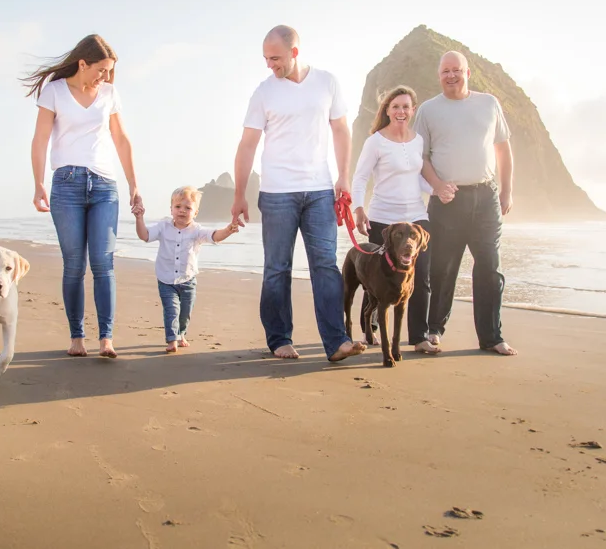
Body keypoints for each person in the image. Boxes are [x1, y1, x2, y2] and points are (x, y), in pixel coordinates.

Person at [232, 25, 366, 362]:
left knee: (326, 266)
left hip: (320, 189)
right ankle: (279, 339)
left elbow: (341, 130)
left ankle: (336, 341)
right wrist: (239, 194)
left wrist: (343, 177)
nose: (269, 65)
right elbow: (247, 144)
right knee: (277, 268)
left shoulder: (326, 82)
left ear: (295, 52)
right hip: (277, 193)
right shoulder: (264, 92)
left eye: (275, 57)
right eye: (265, 58)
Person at [25, 34, 141, 359]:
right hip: (67, 183)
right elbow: (40, 140)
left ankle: (106, 338)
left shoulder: (109, 94)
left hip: (105, 185)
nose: (105, 77)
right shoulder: (55, 92)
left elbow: (121, 139)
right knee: (74, 264)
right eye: (101, 70)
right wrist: (38, 184)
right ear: (82, 63)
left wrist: (134, 185)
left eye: (110, 71)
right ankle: (77, 336)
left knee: (104, 263)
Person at [413, 50, 518, 355]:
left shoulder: (488, 103)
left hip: (486, 197)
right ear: (439, 75)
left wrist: (506, 191)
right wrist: (436, 185)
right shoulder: (429, 110)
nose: (451, 76)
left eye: (456, 70)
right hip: (447, 201)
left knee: (489, 268)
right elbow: (422, 157)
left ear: (467, 73)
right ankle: (434, 330)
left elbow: (503, 150)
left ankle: (492, 337)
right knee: (442, 269)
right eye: (445, 71)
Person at [351, 85, 439, 354]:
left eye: (405, 107)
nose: (401, 111)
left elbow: (418, 177)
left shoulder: (418, 140)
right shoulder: (375, 141)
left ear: (413, 110)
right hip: (383, 220)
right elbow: (361, 177)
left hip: (415, 217)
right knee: (376, 281)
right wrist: (358, 209)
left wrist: (439, 190)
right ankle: (371, 329)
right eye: (395, 107)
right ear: (387, 110)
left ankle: (419, 336)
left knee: (420, 276)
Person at [133, 186, 239, 353]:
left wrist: (228, 230)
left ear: (195, 212)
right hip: (166, 279)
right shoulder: (163, 226)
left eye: (187, 208)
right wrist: (139, 218)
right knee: (172, 310)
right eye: (178, 207)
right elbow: (144, 235)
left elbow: (214, 236)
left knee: (185, 313)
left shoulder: (197, 230)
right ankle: (172, 339)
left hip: (188, 279)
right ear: (171, 209)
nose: (182, 211)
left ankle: (181, 333)